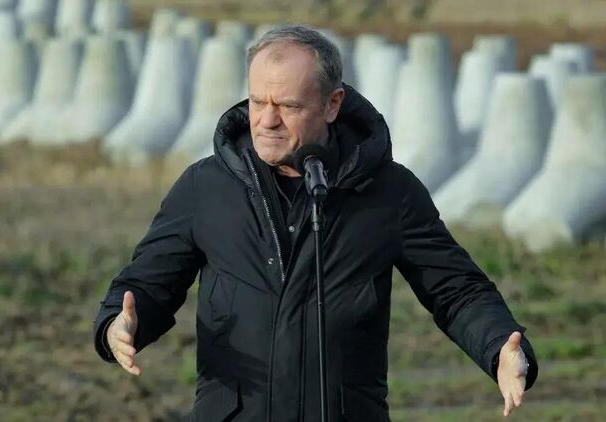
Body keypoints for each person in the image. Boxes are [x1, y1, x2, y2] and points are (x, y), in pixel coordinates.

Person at [93, 24, 538, 421]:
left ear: (332, 104)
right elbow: (148, 283)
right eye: (257, 101)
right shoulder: (204, 187)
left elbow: (457, 290)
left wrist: (500, 346)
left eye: (288, 105)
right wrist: (119, 324)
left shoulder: (389, 191)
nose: (267, 120)